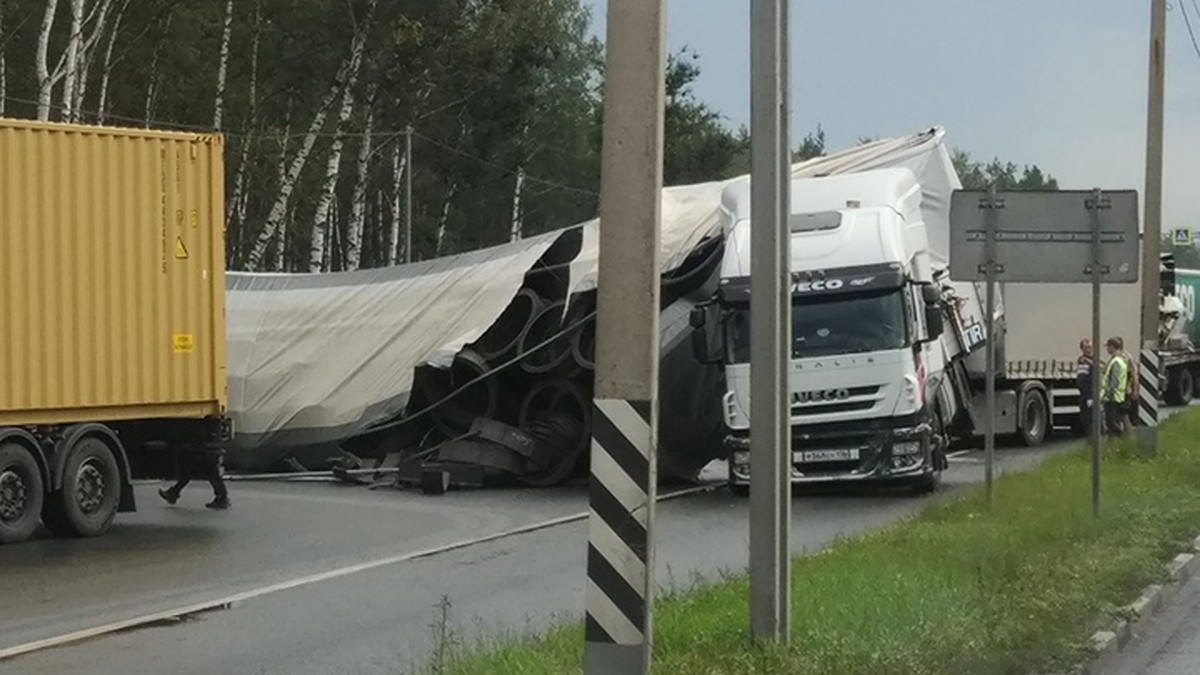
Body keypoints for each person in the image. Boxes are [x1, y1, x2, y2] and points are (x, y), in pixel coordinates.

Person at [159, 444, 230, 509]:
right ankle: (174, 492)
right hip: (205, 445)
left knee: (208, 470)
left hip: (205, 446)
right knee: (194, 470)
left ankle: (222, 497)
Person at [1101, 337, 1131, 437]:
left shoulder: (1116, 361)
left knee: (1110, 422)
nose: (1107, 350)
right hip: (1119, 396)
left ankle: (1122, 437)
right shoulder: (1121, 360)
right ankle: (1120, 440)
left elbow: (1114, 380)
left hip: (1113, 397)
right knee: (1117, 420)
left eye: (1108, 347)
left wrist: (1107, 393)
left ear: (1112, 347)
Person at [1076, 339, 1095, 433]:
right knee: (1087, 419)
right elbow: (1082, 381)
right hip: (1087, 395)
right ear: (1082, 349)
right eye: (1086, 347)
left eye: (1090, 347)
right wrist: (1088, 396)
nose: (1089, 349)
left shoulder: (1095, 360)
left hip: (1094, 393)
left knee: (1094, 419)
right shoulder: (1083, 362)